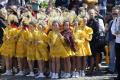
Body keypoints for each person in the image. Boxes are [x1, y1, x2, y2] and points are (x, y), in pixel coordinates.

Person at [106, 7, 119, 74]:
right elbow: (109, 31)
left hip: (117, 40)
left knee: (116, 56)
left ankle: (114, 69)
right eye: (113, 13)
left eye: (116, 13)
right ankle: (111, 69)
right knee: (112, 56)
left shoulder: (118, 21)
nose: (114, 15)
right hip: (112, 41)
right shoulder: (111, 21)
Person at [111, 8, 120, 80]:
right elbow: (112, 29)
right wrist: (115, 32)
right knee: (118, 59)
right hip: (118, 41)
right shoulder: (116, 19)